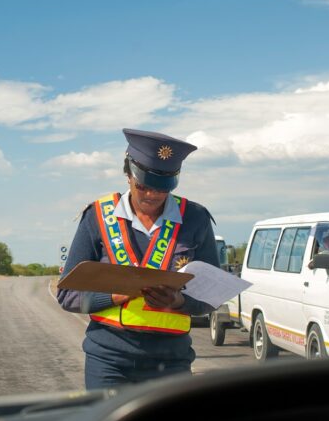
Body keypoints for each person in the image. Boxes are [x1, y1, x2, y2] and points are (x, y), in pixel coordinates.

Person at [57, 128, 220, 390]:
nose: (152, 195)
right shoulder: (97, 217)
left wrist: (180, 301)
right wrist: (113, 296)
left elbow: (212, 295)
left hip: (172, 362)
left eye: (162, 188)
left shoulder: (195, 218)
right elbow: (67, 295)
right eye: (143, 186)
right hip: (109, 361)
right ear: (128, 175)